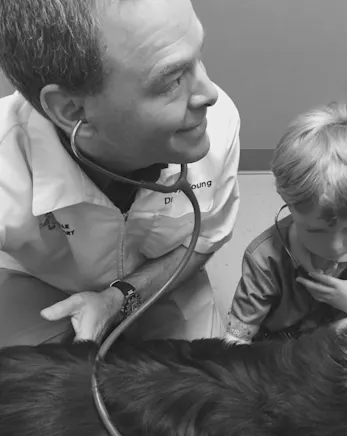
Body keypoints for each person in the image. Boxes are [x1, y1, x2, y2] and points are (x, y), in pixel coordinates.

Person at [0, 0, 240, 346]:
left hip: (159, 284)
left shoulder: (216, 128)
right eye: (172, 79)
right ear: (71, 109)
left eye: (198, 57)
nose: (211, 94)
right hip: (44, 287)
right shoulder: (7, 159)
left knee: (201, 389)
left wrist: (118, 299)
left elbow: (204, 239)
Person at [226, 102, 347, 343]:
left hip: (344, 348)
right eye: (316, 231)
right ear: (288, 204)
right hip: (283, 354)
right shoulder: (265, 258)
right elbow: (236, 340)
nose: (336, 247)